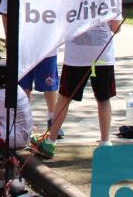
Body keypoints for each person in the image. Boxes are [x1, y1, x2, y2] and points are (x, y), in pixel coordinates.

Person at [31, 18, 122, 158]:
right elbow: (116, 28)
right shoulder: (112, 1)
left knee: (64, 97)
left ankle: (50, 142)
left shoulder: (70, 0)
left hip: (77, 55)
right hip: (102, 53)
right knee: (103, 99)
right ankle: (105, 142)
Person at [0, 0, 60, 137]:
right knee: (23, 86)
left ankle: (53, 120)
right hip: (22, 46)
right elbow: (5, 13)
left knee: (49, 85)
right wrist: (9, 37)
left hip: (47, 45)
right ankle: (25, 121)